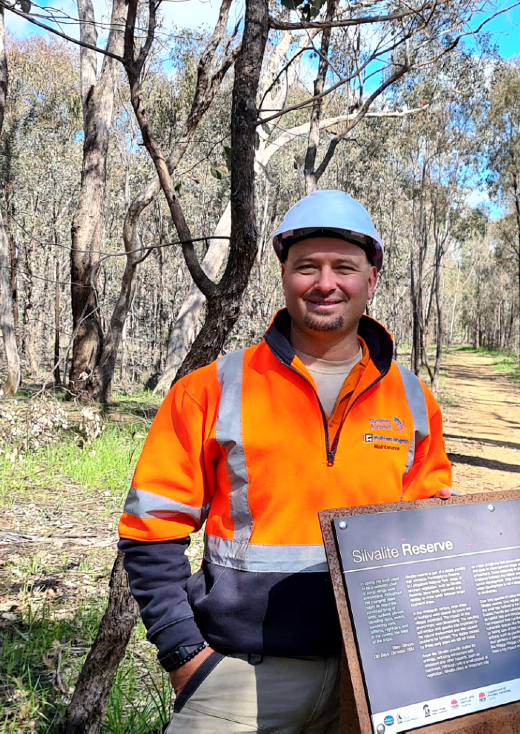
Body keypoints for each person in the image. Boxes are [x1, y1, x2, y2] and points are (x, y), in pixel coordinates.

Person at [118, 190, 453, 731]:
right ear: (283, 275)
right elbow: (149, 531)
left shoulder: (414, 400)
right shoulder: (211, 389)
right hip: (240, 679)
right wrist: (185, 657)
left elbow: (425, 535)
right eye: (307, 267)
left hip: (374, 677)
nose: (325, 283)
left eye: (344, 266)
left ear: (372, 276)